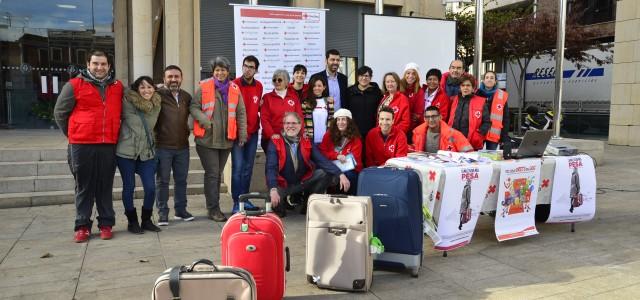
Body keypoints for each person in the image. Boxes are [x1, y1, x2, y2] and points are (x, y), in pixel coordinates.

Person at [54, 50, 123, 242]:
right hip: (81, 145)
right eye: (95, 64)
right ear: (88, 65)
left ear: (109, 66)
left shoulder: (117, 87)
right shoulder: (74, 85)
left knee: (104, 185)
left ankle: (106, 224)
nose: (99, 67)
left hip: (107, 144)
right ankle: (82, 225)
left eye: (103, 64)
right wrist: (74, 132)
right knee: (84, 186)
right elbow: (60, 113)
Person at [191, 56, 248, 222]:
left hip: (226, 140)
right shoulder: (204, 87)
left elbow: (241, 113)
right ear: (213, 71)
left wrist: (242, 134)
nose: (220, 72)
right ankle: (213, 209)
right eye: (217, 70)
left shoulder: (235, 89)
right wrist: (204, 121)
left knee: (216, 174)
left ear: (228, 72)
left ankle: (212, 204)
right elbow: (194, 106)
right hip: (206, 139)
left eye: (223, 70)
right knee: (213, 173)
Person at [266, 112, 351, 217]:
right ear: (283, 125)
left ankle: (308, 204)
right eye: (287, 123)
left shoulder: (306, 140)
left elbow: (321, 160)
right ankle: (281, 203)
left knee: (324, 173)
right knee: (277, 209)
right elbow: (271, 167)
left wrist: (340, 174)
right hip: (283, 184)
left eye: (294, 123)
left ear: (300, 125)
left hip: (302, 181)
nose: (290, 126)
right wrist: (273, 189)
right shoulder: (275, 141)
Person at [115, 76, 162, 234]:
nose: (146, 90)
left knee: (150, 188)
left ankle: (147, 220)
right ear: (136, 89)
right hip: (126, 152)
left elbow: (150, 124)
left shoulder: (157, 103)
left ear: (154, 88)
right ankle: (132, 221)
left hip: (146, 153)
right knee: (129, 187)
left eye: (149, 87)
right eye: (142, 87)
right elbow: (138, 125)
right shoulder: (127, 103)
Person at [155, 65, 194, 226]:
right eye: (170, 77)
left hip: (183, 147)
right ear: (164, 79)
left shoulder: (186, 96)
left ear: (181, 78)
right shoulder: (157, 95)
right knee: (162, 181)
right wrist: (153, 86)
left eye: (176, 76)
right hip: (163, 146)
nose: (173, 80)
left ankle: (181, 210)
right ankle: (163, 213)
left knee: (181, 180)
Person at [231, 56, 262, 214]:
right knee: (238, 168)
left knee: (248, 168)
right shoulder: (234, 85)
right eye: (245, 66)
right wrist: (238, 132)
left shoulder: (259, 86)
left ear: (256, 70)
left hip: (253, 132)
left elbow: (257, 108)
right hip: (238, 134)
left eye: (251, 67)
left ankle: (245, 199)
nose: (247, 69)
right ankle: (236, 202)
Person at [318, 109, 362, 195]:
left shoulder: (356, 139)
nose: (340, 122)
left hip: (350, 170)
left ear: (349, 121)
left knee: (349, 176)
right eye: (338, 119)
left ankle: (350, 201)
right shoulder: (328, 135)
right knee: (324, 174)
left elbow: (354, 160)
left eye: (343, 119)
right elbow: (322, 152)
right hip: (331, 167)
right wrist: (336, 156)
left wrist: (339, 170)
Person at [260, 69, 304, 151]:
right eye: (274, 80)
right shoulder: (267, 97)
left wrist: (300, 133)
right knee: (273, 162)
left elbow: (299, 117)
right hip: (272, 139)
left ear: (287, 82)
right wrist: (272, 134)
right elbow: (264, 119)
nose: (276, 82)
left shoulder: (294, 97)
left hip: (291, 138)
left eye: (279, 80)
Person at [448, 74, 491, 150]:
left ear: (473, 88)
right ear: (460, 87)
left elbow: (487, 122)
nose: (465, 88)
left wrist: (479, 135)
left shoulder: (481, 102)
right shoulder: (453, 100)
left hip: (472, 142)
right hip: (453, 141)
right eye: (463, 85)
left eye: (468, 85)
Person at [343, 66, 382, 141]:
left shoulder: (376, 92)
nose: (364, 78)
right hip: (354, 130)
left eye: (366, 76)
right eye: (361, 75)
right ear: (357, 77)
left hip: (372, 130)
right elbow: (346, 110)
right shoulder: (350, 91)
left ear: (370, 77)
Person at [476, 71, 511, 154]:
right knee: (476, 158)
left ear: (495, 81)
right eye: (487, 77)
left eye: (492, 78)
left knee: (491, 158)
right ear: (483, 81)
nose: (489, 80)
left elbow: (506, 117)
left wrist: (504, 135)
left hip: (494, 134)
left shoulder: (501, 95)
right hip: (479, 132)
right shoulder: (476, 94)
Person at [302, 76, 334, 145]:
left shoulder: (329, 102)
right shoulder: (306, 103)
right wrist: (306, 135)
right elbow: (302, 121)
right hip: (310, 141)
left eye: (319, 86)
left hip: (326, 141)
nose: (317, 88)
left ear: (324, 87)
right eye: (314, 86)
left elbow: (331, 121)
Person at [400, 62, 425, 132]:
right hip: (396, 125)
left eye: (414, 73)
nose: (410, 76)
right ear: (404, 74)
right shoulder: (398, 87)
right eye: (408, 73)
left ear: (417, 76)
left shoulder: (419, 92)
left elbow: (417, 115)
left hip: (411, 128)